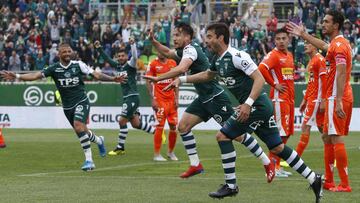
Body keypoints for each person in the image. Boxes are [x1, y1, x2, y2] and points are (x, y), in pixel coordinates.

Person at [164, 22, 323, 201]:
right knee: (277, 147)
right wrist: (182, 80)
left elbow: (259, 79)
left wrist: (247, 104)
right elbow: (208, 75)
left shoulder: (237, 56)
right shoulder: (217, 58)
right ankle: (313, 178)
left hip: (257, 106)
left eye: (209, 37)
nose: (206, 41)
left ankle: (231, 185)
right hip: (259, 106)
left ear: (220, 38)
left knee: (223, 136)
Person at [143, 23, 274, 181]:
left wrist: (158, 78)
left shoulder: (191, 50)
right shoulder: (186, 50)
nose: (174, 38)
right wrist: (154, 42)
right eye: (173, 35)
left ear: (187, 37)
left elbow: (181, 68)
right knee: (183, 126)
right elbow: (167, 52)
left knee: (238, 135)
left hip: (215, 98)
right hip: (204, 98)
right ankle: (195, 165)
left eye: (178, 35)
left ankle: (267, 162)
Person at [0, 43, 127, 171]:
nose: (67, 54)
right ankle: (99, 140)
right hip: (67, 106)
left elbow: (97, 75)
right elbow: (35, 75)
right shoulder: (54, 68)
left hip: (81, 101)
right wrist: (17, 76)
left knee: (78, 125)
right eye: (64, 52)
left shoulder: (78, 65)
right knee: (83, 130)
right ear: (59, 54)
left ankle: (89, 161)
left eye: (69, 51)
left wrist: (113, 79)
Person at [287, 10, 353, 192]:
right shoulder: (337, 43)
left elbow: (340, 72)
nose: (322, 24)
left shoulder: (339, 46)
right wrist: (303, 34)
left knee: (335, 137)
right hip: (333, 97)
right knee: (326, 137)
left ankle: (345, 184)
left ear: (336, 25)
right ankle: (330, 180)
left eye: (326, 22)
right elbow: (324, 45)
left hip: (336, 97)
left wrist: (337, 100)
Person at [94, 38, 156, 156]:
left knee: (121, 120)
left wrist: (133, 45)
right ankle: (157, 133)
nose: (121, 58)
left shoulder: (130, 64)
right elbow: (107, 58)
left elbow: (134, 56)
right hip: (128, 98)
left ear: (126, 57)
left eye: (123, 56)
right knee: (136, 124)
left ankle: (120, 147)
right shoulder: (117, 66)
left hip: (132, 97)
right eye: (119, 56)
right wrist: (99, 48)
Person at [258, 28, 295, 178]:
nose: (281, 41)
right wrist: (274, 84)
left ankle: (277, 165)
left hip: (289, 99)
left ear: (288, 40)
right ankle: (273, 166)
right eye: (278, 39)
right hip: (280, 100)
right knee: (279, 134)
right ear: (274, 41)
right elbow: (261, 68)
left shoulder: (289, 55)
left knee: (285, 134)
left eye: (283, 38)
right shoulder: (273, 55)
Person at [296, 41, 327, 157]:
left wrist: (323, 100)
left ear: (315, 46)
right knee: (322, 129)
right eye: (304, 43)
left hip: (316, 100)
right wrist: (304, 100)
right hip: (312, 99)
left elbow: (325, 81)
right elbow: (311, 83)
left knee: (305, 127)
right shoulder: (312, 60)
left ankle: (296, 159)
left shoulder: (320, 60)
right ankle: (332, 156)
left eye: (308, 43)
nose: (305, 45)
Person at [146, 52, 179, 161]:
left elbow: (176, 81)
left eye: (164, 51)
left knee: (174, 127)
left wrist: (177, 98)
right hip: (159, 100)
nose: (162, 53)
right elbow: (148, 81)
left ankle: (170, 152)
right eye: (159, 51)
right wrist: (152, 99)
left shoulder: (173, 63)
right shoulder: (153, 64)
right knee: (159, 126)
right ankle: (157, 154)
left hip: (171, 100)